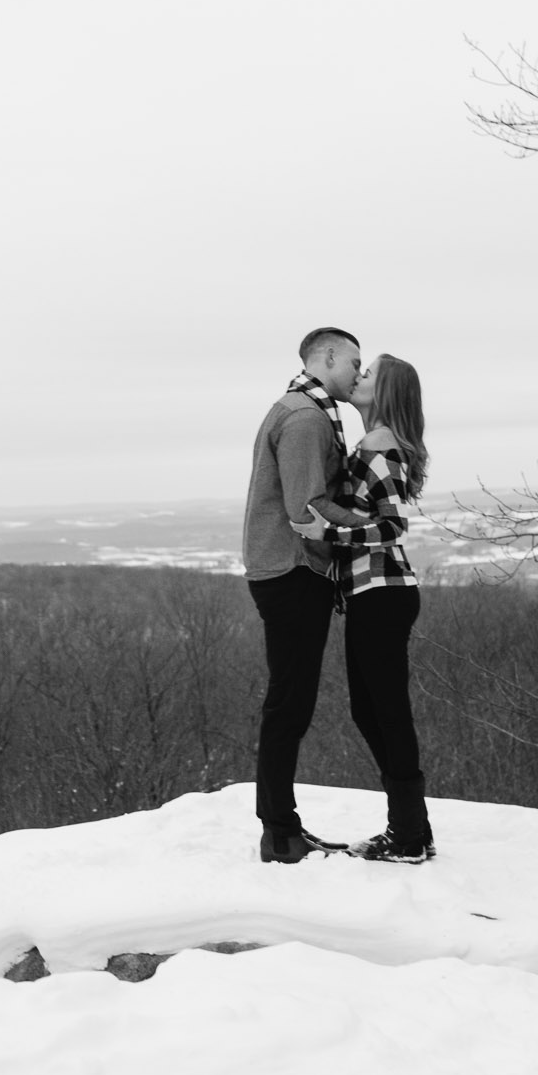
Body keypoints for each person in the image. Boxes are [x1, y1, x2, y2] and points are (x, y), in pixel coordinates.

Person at [292, 352, 434, 863]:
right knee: (372, 712)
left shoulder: (380, 444)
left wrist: (328, 531)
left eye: (369, 373)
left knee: (387, 714)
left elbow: (393, 526)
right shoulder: (375, 441)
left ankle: (410, 837)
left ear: (387, 391)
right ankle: (413, 829)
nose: (359, 377)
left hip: (384, 592)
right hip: (373, 594)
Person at [242, 327, 369, 863]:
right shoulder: (305, 417)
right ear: (328, 356)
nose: (359, 375)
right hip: (292, 570)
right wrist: (374, 521)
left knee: (290, 702)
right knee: (289, 705)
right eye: (354, 363)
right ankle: (279, 832)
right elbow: (305, 507)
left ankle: (281, 827)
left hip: (288, 570)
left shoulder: (307, 410)